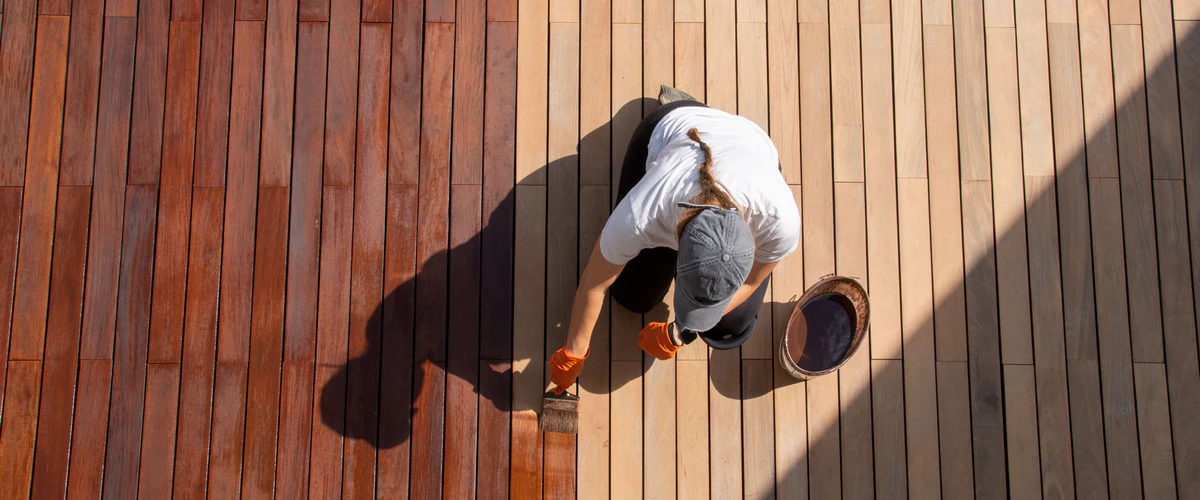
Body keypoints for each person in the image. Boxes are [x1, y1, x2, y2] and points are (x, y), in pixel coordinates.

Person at [547, 85, 801, 394]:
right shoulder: (644, 212)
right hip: (673, 130)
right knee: (632, 296)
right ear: (678, 249)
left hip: (752, 151)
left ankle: (709, 116)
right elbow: (594, 283)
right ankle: (687, 105)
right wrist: (573, 352)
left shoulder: (780, 218)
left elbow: (749, 283)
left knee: (731, 326)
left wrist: (683, 330)